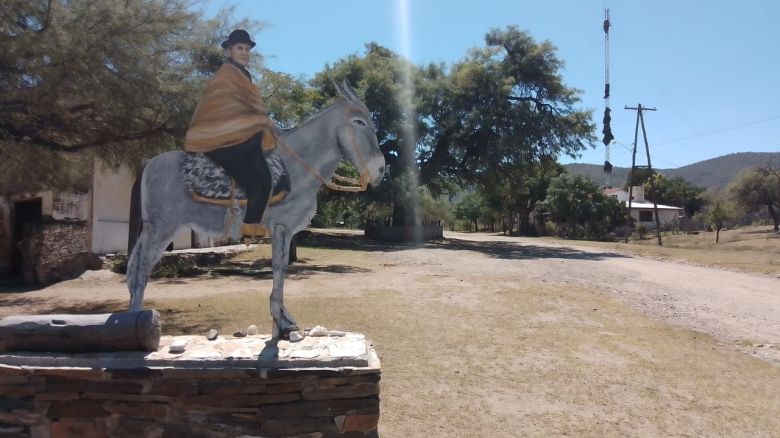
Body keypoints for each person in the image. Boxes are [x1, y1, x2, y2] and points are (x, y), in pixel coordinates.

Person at [184, 29, 276, 238]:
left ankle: (252, 222)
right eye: (239, 48)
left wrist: (262, 122)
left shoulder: (244, 75)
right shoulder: (226, 74)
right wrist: (259, 121)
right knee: (257, 178)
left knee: (265, 175)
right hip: (220, 137)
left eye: (246, 48)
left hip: (239, 134)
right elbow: (225, 110)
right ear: (230, 50)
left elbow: (248, 108)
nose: (244, 52)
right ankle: (249, 223)